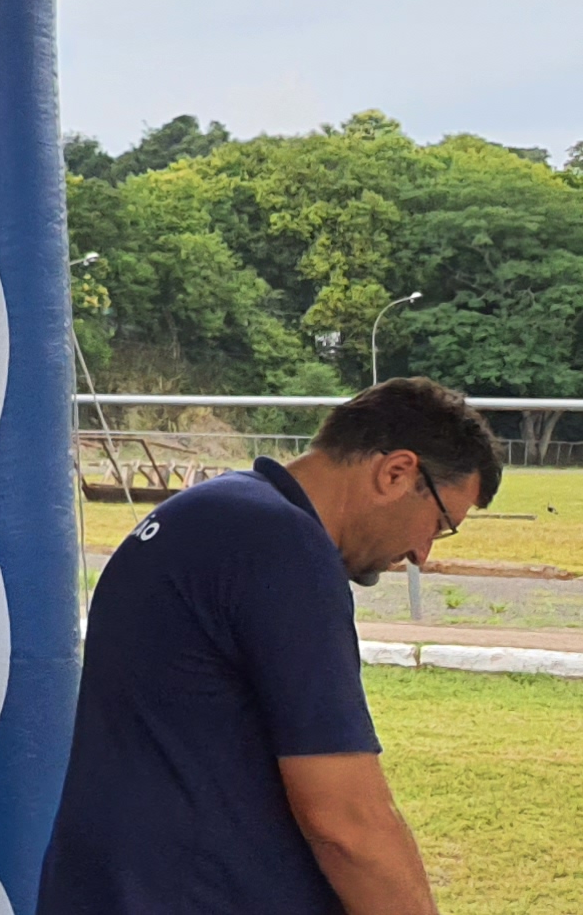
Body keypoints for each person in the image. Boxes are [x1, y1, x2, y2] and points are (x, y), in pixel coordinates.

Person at [38, 376, 503, 914]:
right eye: (439, 524)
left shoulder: (209, 511)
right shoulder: (283, 550)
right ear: (396, 472)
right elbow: (346, 823)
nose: (422, 553)